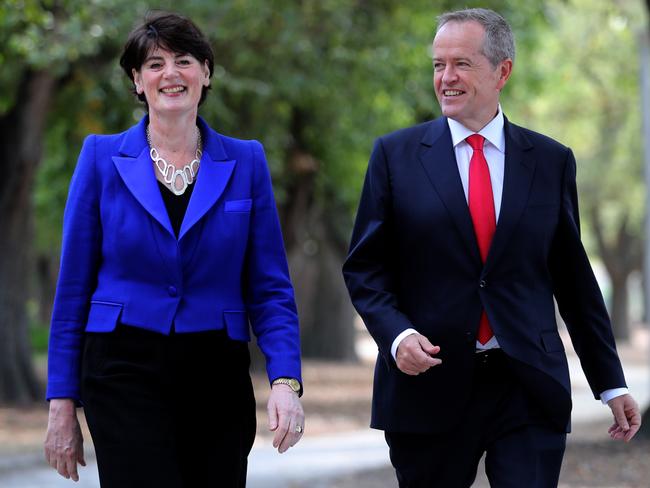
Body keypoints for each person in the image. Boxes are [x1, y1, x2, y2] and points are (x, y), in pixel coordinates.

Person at [343, 7, 641, 488]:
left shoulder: (550, 161)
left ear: (502, 71)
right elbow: (364, 270)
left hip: (525, 384)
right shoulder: (394, 157)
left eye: (461, 63)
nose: (446, 78)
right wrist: (397, 337)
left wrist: (611, 383)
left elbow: (574, 281)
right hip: (429, 384)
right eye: (438, 65)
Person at [44, 12, 304, 488]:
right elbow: (73, 288)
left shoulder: (246, 161)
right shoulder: (100, 158)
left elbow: (270, 288)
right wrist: (61, 401)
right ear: (137, 81)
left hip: (217, 372)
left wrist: (285, 381)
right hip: (121, 366)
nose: (170, 74)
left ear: (205, 73)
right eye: (154, 63)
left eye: (184, 61)